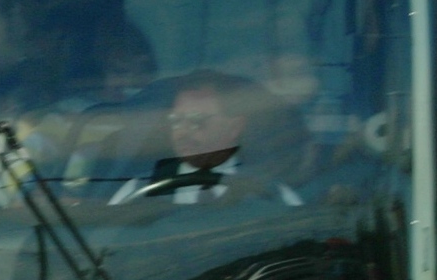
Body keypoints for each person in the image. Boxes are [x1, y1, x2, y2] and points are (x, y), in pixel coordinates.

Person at [108, 70, 303, 207]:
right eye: (176, 121)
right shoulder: (139, 191)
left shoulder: (270, 194)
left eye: (196, 121)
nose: (182, 133)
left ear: (234, 127)